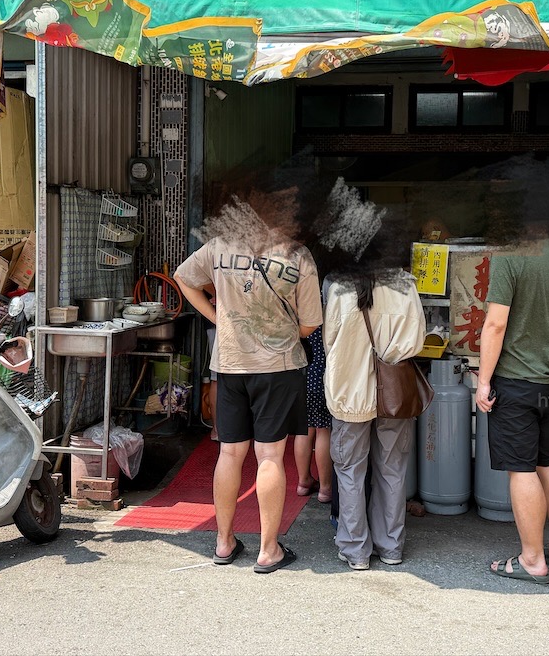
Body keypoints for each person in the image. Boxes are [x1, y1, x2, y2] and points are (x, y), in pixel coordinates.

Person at [174, 189, 322, 574]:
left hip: (230, 365)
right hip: (278, 367)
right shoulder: (297, 257)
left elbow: (183, 278)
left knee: (229, 453)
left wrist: (216, 317)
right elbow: (310, 324)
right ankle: (268, 550)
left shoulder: (219, 246)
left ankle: (224, 543)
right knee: (270, 456)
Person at [475, 234, 549, 585]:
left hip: (516, 381)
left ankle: (532, 559)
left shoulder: (510, 255)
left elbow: (496, 323)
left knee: (521, 469)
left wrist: (484, 381)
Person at [324, 263, 425, 570]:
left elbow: (331, 342)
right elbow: (416, 340)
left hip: (349, 391)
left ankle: (355, 550)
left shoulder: (339, 284)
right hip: (393, 393)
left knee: (350, 470)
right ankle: (391, 547)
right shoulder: (405, 284)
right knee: (392, 469)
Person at [294, 325, 333, 503]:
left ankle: (303, 482)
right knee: (323, 428)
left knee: (304, 428)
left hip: (301, 372)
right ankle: (325, 488)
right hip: (322, 373)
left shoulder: (300, 302)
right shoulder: (325, 303)